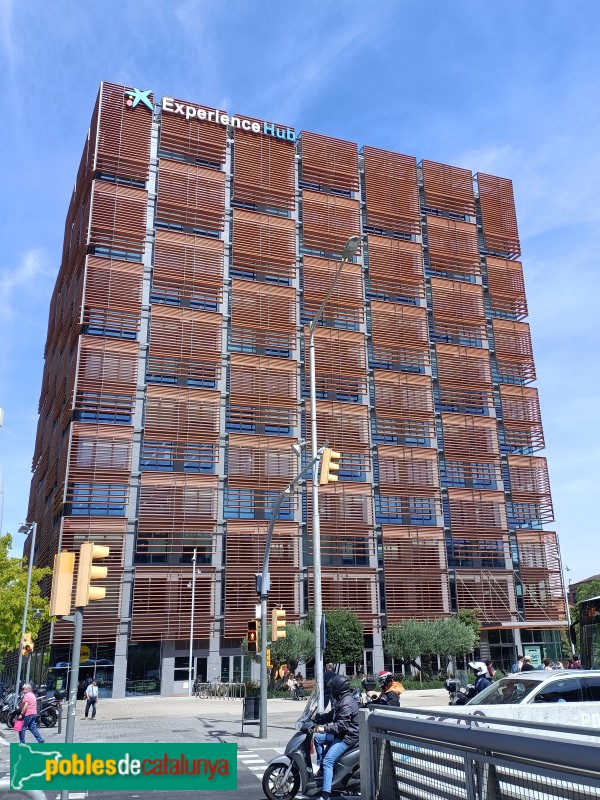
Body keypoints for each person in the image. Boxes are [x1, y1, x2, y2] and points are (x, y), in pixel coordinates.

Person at [313, 674, 360, 800]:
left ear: (339, 688)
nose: (331, 691)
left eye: (333, 688)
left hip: (347, 737)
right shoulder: (342, 700)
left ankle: (325, 795)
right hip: (340, 734)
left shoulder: (346, 703)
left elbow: (341, 726)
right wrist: (318, 718)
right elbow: (332, 715)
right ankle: (322, 769)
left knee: (328, 761)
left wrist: (324, 728)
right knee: (317, 738)